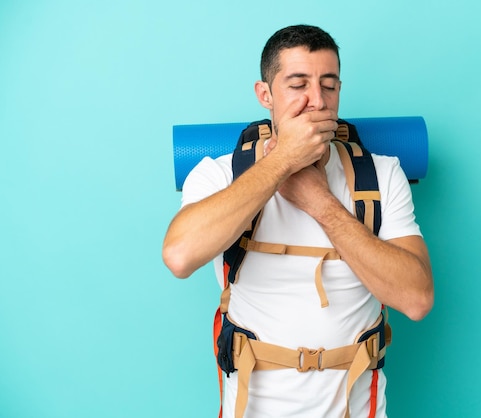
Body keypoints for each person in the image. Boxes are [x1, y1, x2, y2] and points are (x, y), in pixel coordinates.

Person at [162, 24, 434, 418]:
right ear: (265, 95)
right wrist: (283, 162)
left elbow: (417, 298)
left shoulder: (381, 175)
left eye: (329, 85)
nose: (317, 101)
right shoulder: (219, 174)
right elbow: (179, 256)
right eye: (298, 84)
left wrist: (321, 203)